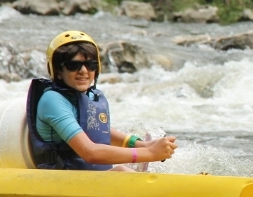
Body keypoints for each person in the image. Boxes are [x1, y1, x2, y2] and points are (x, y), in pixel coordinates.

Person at [26, 30, 176, 171]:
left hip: (87, 178)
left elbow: (94, 128)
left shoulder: (87, 96)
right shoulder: (52, 100)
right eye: (73, 65)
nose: (84, 71)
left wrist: (140, 144)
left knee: (125, 171)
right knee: (123, 172)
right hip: (61, 179)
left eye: (90, 65)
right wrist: (150, 153)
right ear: (58, 71)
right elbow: (90, 152)